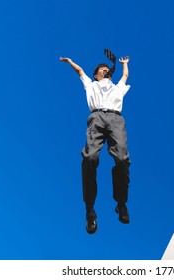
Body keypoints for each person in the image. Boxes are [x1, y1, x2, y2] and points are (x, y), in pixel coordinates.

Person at [60, 53, 131, 234]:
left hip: (115, 118)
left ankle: (121, 203)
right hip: (97, 117)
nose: (105, 69)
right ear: (96, 75)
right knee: (90, 158)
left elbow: (125, 76)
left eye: (107, 68)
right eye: (101, 69)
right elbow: (80, 71)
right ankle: (90, 209)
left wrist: (124, 64)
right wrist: (70, 61)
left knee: (122, 160)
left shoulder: (117, 88)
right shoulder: (91, 85)